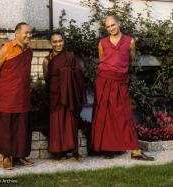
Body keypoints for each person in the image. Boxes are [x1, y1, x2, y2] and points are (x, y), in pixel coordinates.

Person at [91, 15, 154, 160]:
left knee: (124, 114)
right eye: (108, 27)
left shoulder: (130, 41)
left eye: (113, 25)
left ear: (119, 23)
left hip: (120, 82)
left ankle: (135, 151)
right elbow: (102, 61)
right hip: (104, 81)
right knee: (105, 115)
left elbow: (130, 60)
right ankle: (107, 149)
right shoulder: (102, 43)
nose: (111, 28)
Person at [0, 22, 34, 170]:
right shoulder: (6, 48)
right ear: (17, 33)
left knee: (22, 127)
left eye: (30, 33)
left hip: (22, 96)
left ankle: (20, 155)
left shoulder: (29, 51)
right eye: (26, 32)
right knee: (6, 128)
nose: (29, 35)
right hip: (7, 95)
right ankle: (6, 157)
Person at [43, 32, 87, 160]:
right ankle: (58, 151)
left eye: (60, 41)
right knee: (56, 122)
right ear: (51, 43)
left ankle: (72, 150)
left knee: (70, 122)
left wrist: (67, 74)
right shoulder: (47, 60)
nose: (58, 44)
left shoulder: (70, 56)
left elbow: (79, 73)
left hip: (69, 95)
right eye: (55, 42)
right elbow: (47, 78)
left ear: (64, 41)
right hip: (55, 95)